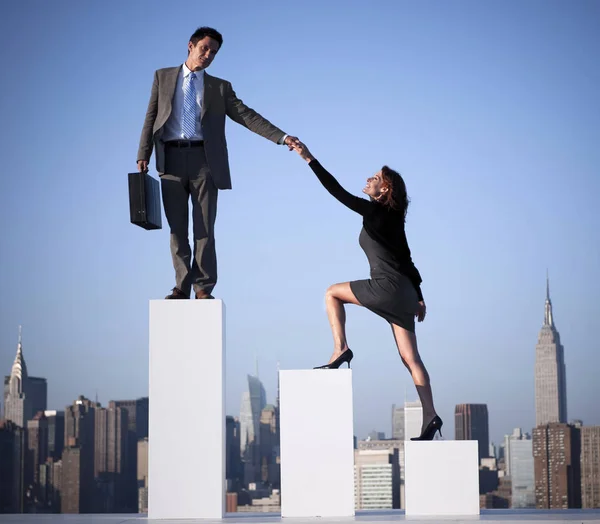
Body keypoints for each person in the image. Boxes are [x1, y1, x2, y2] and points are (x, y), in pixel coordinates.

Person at [291, 141, 442, 441]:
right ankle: (431, 416)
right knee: (411, 359)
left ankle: (340, 349)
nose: (369, 179)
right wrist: (420, 297)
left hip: (386, 287)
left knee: (332, 293)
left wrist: (309, 158)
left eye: (376, 178)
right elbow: (407, 258)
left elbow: (335, 190)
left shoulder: (374, 212)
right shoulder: (396, 219)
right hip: (406, 294)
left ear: (384, 190)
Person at [137, 27, 299, 299]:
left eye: (214, 52)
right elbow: (151, 116)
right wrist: (144, 153)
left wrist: (281, 137)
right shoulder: (162, 77)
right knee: (177, 229)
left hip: (205, 162)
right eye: (205, 48)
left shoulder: (220, 87)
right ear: (191, 45)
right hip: (171, 160)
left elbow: (247, 116)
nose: (209, 55)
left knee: (204, 229)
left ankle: (203, 288)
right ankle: (181, 286)